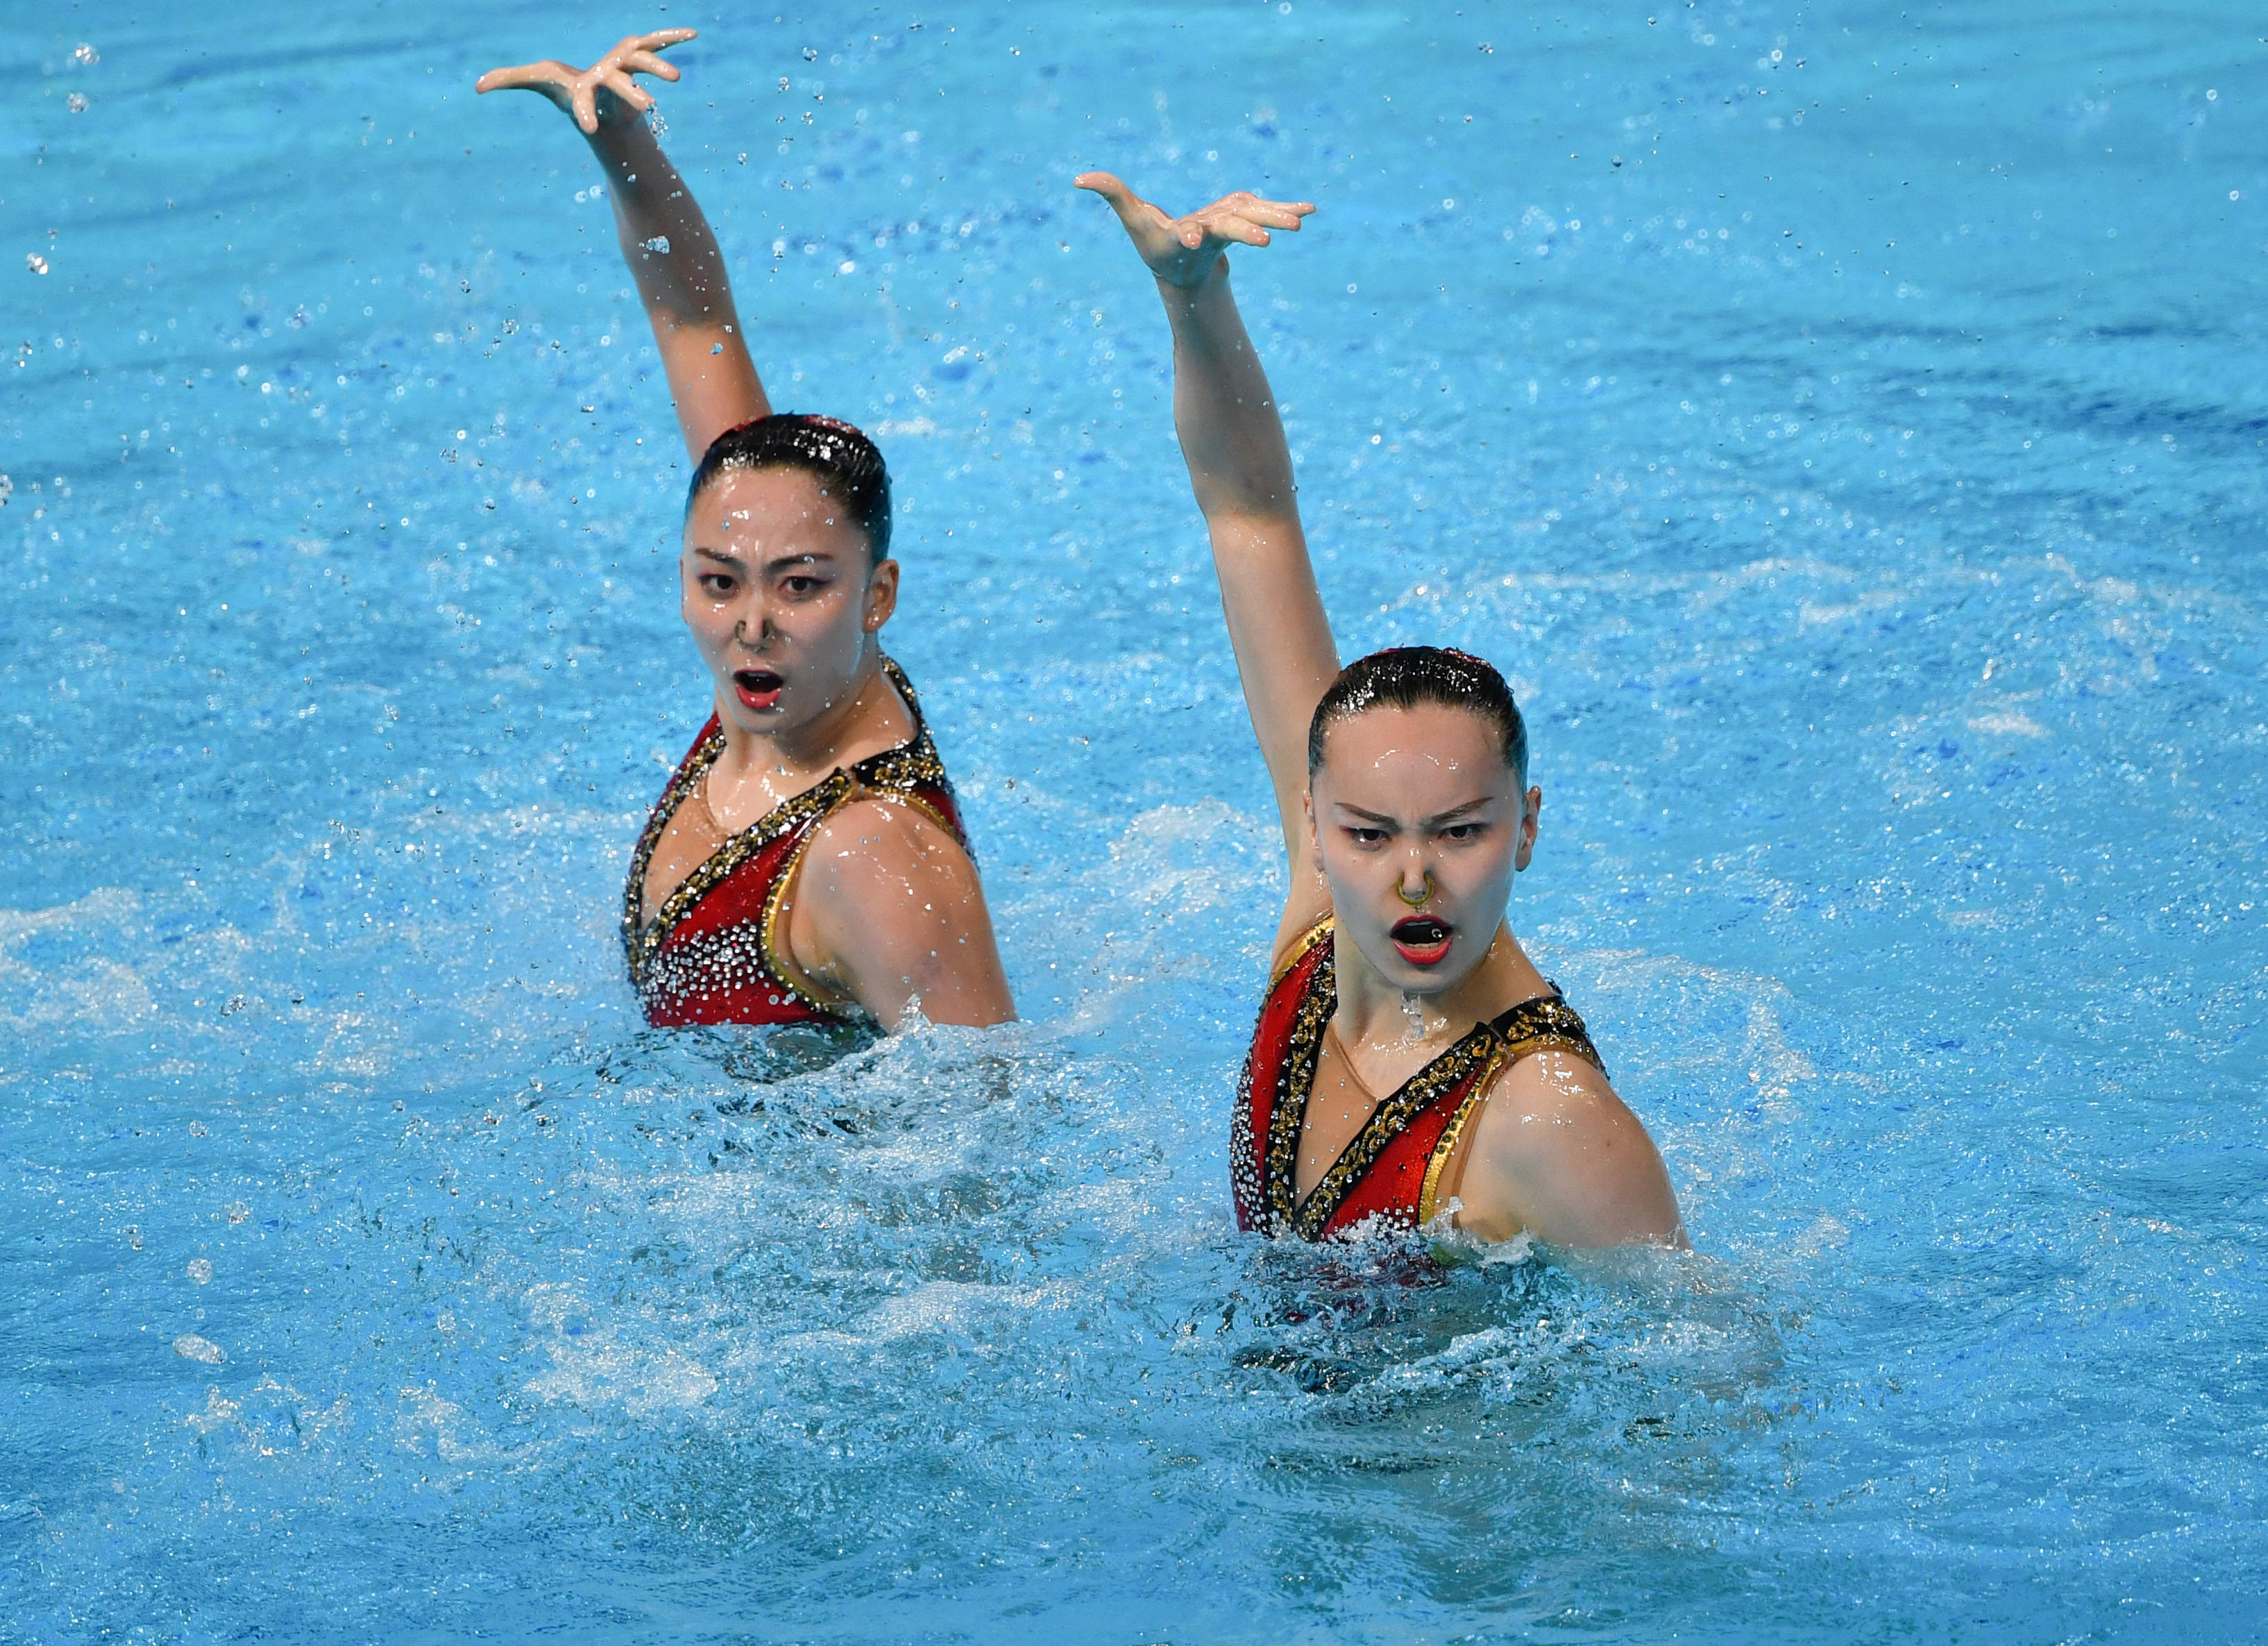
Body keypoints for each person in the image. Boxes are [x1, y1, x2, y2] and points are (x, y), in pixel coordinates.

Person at [1078, 173, 1683, 1249]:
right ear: (1314, 823)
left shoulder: (1548, 1122)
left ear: (1528, 827)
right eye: (1369, 833)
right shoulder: (1322, 907)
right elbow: (1246, 511)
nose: (1413, 876)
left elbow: (1708, 1378)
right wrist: (1194, 298)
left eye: (1460, 831)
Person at [477, 31, 1013, 1031]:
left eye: (802, 585)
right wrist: (620, 143)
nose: (751, 623)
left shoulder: (874, 854)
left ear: (878, 595)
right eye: (717, 581)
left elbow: (985, 1139)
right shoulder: (787, 676)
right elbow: (692, 317)